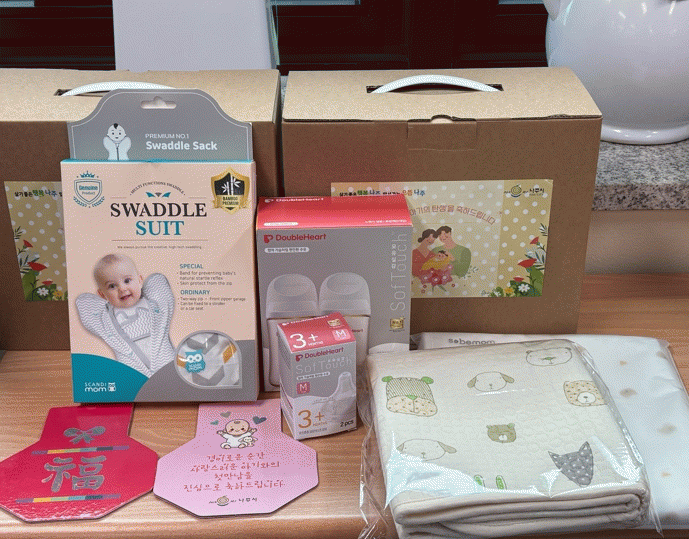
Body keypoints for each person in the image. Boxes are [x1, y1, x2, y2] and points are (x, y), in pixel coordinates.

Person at [75, 253, 175, 378]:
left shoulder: (155, 306)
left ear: (139, 280)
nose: (122, 289)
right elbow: (83, 303)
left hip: (166, 364)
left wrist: (143, 288)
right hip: (133, 373)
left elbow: (158, 282)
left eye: (127, 281)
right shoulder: (105, 319)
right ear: (102, 294)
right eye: (112, 286)